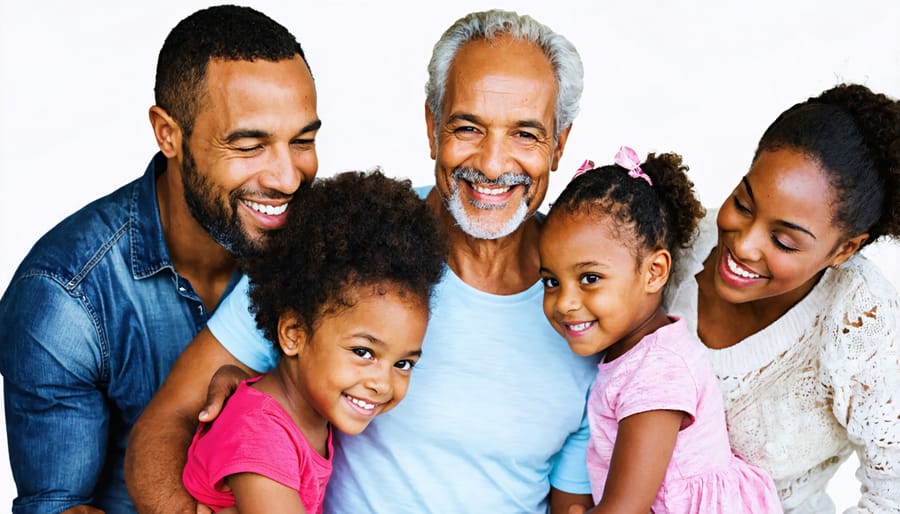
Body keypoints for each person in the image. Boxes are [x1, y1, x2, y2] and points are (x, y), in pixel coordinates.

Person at [126, 9, 599, 514]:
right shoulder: (348, 245)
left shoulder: (593, 297)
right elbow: (167, 421)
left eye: (526, 134)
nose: (491, 163)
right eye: (468, 128)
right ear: (431, 125)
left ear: (560, 142)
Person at [0, 5, 320, 513]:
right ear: (168, 133)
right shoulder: (64, 296)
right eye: (249, 145)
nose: (286, 177)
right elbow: (59, 508)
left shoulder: (324, 247)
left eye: (303, 141)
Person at [663, 83, 900, 513]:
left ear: (844, 250)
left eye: (785, 241)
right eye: (743, 203)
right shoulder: (677, 251)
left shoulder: (862, 323)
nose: (745, 244)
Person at [182, 170, 446, 512]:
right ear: (294, 334)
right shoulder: (260, 435)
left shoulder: (308, 411)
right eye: (363, 352)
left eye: (403, 363)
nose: (382, 383)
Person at [539, 147, 782, 513]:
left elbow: (625, 508)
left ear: (654, 272)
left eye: (589, 278)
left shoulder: (657, 371)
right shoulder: (635, 354)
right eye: (551, 282)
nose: (564, 302)